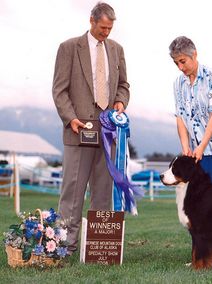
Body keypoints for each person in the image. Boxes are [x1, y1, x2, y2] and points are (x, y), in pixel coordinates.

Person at [52, 2, 130, 255]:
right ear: (92, 21)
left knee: (102, 193)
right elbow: (60, 90)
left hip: (108, 131)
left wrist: (120, 101)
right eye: (103, 28)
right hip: (77, 130)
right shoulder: (68, 48)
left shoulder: (117, 50)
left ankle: (98, 250)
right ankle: (65, 247)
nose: (106, 33)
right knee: (72, 193)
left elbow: (124, 85)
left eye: (110, 28)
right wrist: (70, 118)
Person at [169, 36, 212, 186]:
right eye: (176, 63)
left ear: (194, 54)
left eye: (183, 61)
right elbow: (180, 117)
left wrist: (202, 146)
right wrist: (185, 146)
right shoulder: (178, 83)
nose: (180, 67)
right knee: (197, 200)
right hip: (194, 153)